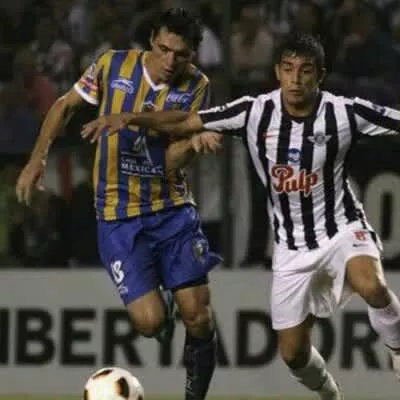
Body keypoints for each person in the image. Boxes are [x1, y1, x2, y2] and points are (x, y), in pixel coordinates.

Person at [81, 33, 400, 400]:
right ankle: (331, 394)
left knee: (372, 285)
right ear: (277, 72)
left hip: (342, 228)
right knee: (293, 355)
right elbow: (186, 122)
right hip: (291, 248)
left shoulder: (344, 113)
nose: (296, 79)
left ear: (320, 75)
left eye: (306, 71)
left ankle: (397, 349)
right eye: (288, 69)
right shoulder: (253, 112)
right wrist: (131, 117)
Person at [16, 8, 223, 400]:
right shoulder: (112, 65)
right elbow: (64, 105)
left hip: (171, 209)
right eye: (163, 49)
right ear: (152, 41)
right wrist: (37, 159)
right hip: (117, 216)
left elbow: (171, 157)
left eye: (180, 54)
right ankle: (162, 307)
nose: (170, 61)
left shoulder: (197, 85)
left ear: (193, 55)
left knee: (198, 316)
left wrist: (186, 142)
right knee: (149, 323)